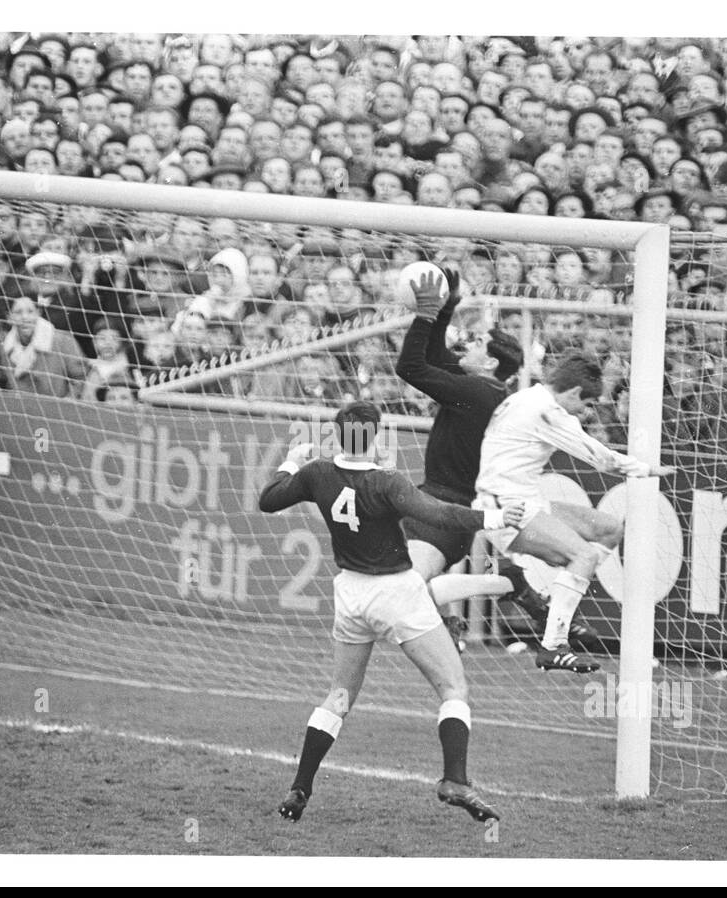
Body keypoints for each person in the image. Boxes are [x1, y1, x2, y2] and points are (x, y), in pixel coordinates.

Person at [258, 401, 525, 824]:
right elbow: (439, 513)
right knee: (453, 687)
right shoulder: (388, 483)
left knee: (339, 696)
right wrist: (492, 515)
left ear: (337, 435)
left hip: (350, 595)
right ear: (377, 436)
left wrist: (291, 461)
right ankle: (455, 779)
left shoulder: (317, 474)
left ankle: (300, 788)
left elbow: (268, 500)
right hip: (396, 593)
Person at [396, 269, 598, 670]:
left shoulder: (474, 391)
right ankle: (490, 596)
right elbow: (433, 358)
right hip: (436, 502)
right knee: (395, 587)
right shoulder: (484, 388)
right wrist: (447, 305)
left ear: (489, 361)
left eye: (475, 342)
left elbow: (411, 368)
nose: (464, 345)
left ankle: (492, 593)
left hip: (447, 508)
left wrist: (425, 313)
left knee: (403, 592)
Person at [474, 353, 674, 666]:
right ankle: (552, 645)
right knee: (584, 556)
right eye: (587, 404)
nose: (586, 412)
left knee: (609, 529)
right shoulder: (546, 411)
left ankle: (552, 604)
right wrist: (645, 469)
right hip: (506, 507)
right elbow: (601, 459)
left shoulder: (527, 398)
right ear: (573, 393)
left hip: (523, 500)